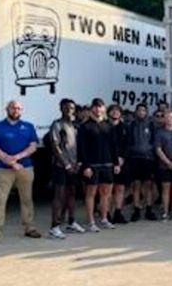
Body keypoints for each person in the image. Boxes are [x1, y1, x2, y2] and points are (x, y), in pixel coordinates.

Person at [0, 100, 41, 246]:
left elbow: (33, 146)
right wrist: (9, 161)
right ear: (7, 109)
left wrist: (17, 158)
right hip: (4, 170)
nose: (16, 110)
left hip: (25, 168)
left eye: (18, 108)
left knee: (27, 199)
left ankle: (29, 227)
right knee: (0, 201)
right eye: (13, 108)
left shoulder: (28, 127)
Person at [78, 98, 121, 232]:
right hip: (92, 165)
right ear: (92, 109)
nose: (98, 109)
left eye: (100, 106)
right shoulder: (85, 126)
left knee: (106, 193)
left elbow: (114, 146)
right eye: (95, 107)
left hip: (107, 164)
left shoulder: (109, 125)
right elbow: (81, 148)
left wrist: (116, 163)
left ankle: (104, 219)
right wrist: (85, 166)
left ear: (104, 108)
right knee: (91, 193)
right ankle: (91, 222)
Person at [48, 99, 85, 240]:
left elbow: (79, 145)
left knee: (72, 194)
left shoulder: (75, 126)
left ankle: (71, 222)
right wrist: (66, 164)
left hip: (75, 166)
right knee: (59, 195)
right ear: (61, 109)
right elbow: (55, 146)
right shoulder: (57, 125)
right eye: (67, 108)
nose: (70, 110)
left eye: (72, 108)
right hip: (61, 166)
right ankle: (54, 227)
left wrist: (78, 163)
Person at [127, 103, 159, 222]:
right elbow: (128, 141)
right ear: (136, 112)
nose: (141, 112)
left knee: (148, 185)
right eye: (139, 110)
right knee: (136, 185)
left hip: (148, 158)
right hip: (135, 158)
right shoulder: (131, 125)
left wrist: (151, 152)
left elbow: (155, 141)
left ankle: (149, 209)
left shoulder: (151, 125)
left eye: (143, 110)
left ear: (146, 112)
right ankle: (136, 209)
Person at [108, 104, 129, 224]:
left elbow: (127, 144)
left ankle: (118, 212)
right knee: (108, 190)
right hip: (108, 162)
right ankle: (107, 214)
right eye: (113, 111)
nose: (115, 113)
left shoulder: (125, 127)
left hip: (122, 162)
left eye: (117, 111)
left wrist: (122, 158)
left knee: (120, 188)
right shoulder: (105, 127)